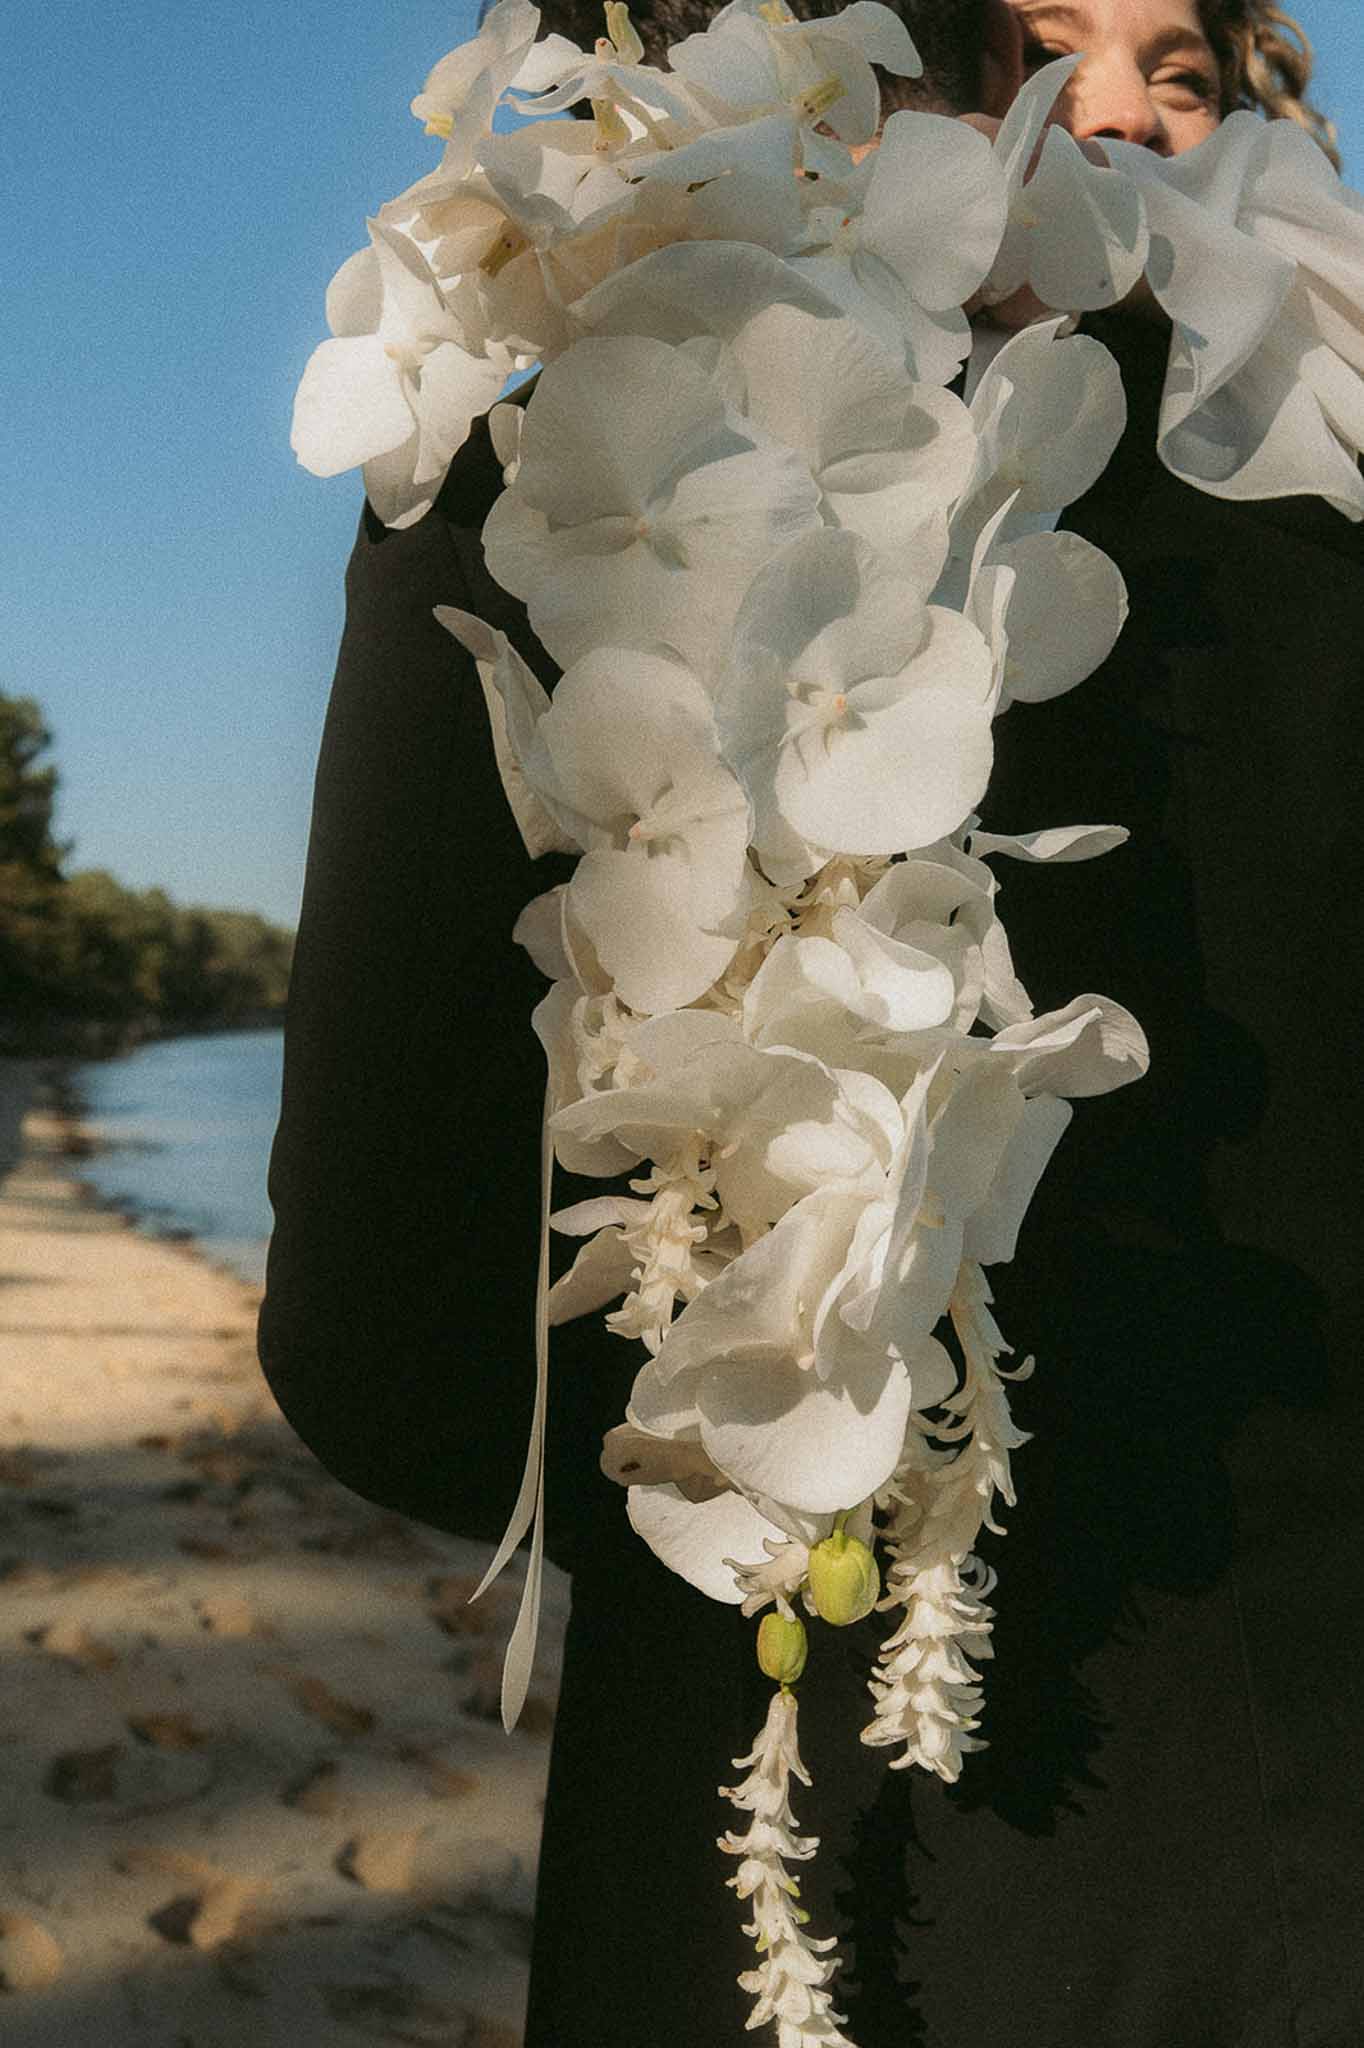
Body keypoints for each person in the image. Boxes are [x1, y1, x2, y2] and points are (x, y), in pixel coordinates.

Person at [259, 3, 1364, 2041]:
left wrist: (746, 1415)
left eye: (1176, 70)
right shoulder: (1325, 511)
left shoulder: (546, 454)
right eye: (1048, 45)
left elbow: (388, 1354)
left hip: (762, 1880)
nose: (1107, 115)